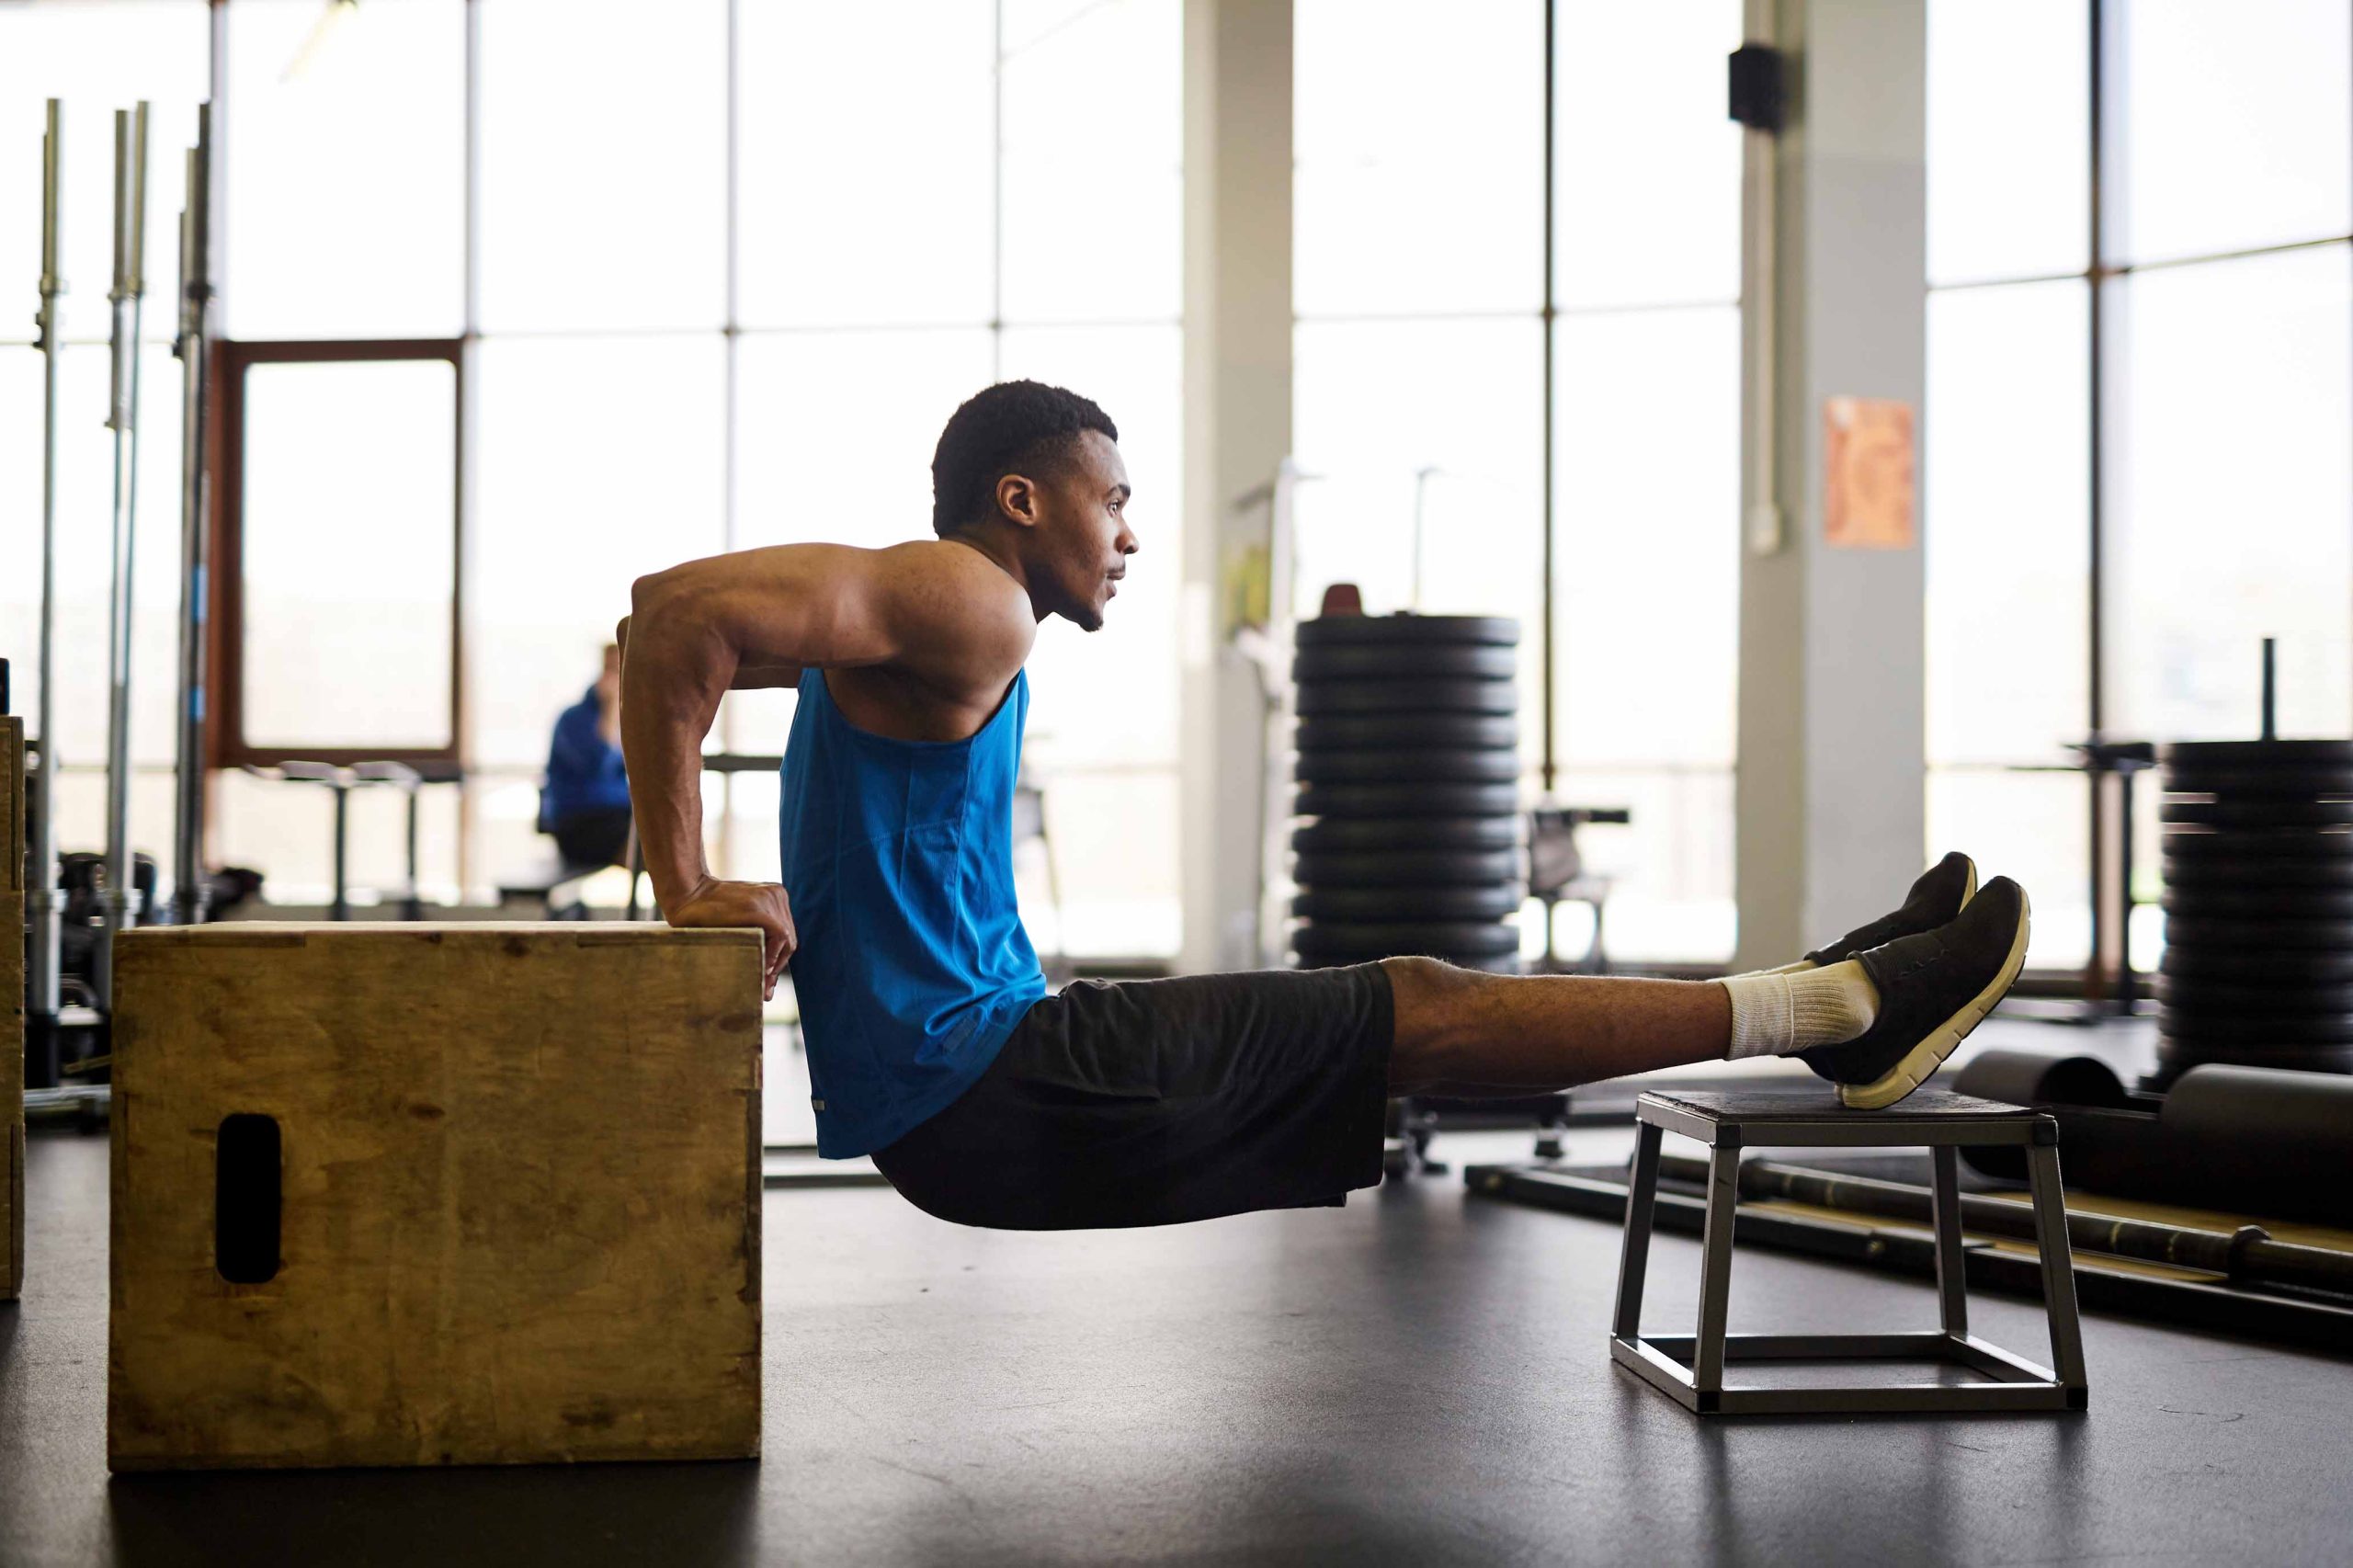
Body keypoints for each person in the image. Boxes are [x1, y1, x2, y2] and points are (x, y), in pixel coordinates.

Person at [618, 381, 2029, 1232]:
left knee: (1415, 1022)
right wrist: (690, 884)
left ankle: (1835, 1003)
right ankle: (1840, 1011)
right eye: (1111, 499)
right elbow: (675, 613)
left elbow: (697, 647)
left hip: (972, 1090)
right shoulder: (968, 591)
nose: (1126, 534)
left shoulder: (925, 632)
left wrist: (731, 867)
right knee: (1425, 1006)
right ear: (1021, 498)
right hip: (992, 1080)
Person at [540, 643, 634, 869]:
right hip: (579, 824)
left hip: (615, 818)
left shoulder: (628, 720)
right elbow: (597, 764)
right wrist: (610, 711)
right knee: (645, 834)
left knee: (657, 826)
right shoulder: (572, 719)